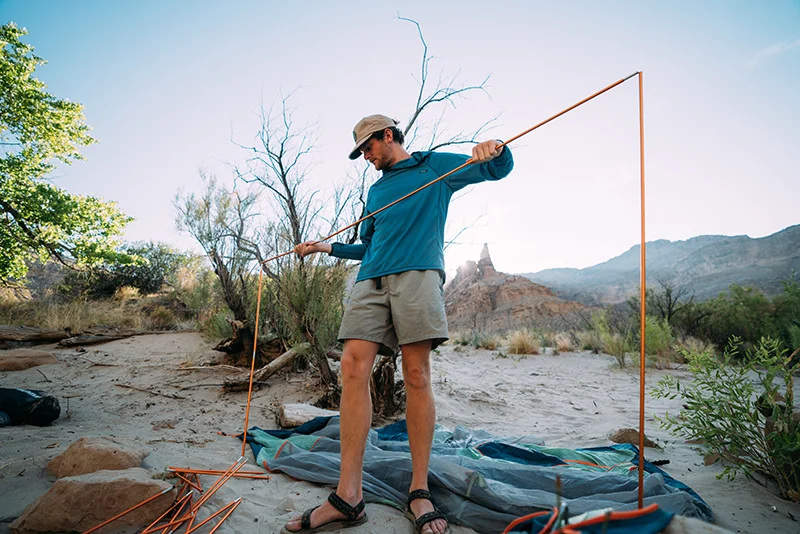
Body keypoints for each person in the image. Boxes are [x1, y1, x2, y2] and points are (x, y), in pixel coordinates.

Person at [283, 114, 513, 534]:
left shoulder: (434, 167)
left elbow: (497, 169)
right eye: (362, 152)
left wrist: (495, 147)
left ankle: (419, 491)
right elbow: (367, 245)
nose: (366, 157)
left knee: (416, 375)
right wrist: (324, 246)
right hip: (371, 277)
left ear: (387, 136)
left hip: (418, 274)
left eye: (368, 148)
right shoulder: (375, 191)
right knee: (352, 367)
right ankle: (348, 497)